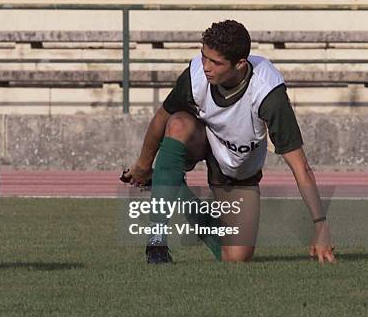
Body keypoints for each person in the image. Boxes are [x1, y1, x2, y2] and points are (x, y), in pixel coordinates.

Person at [123, 20, 335, 264]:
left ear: (240, 64)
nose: (206, 67)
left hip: (237, 167)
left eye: (216, 62)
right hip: (202, 138)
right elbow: (162, 116)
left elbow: (300, 166)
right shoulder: (195, 75)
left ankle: (183, 200)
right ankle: (156, 241)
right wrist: (143, 164)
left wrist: (320, 226)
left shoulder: (268, 93)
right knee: (178, 123)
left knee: (236, 258)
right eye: (204, 57)